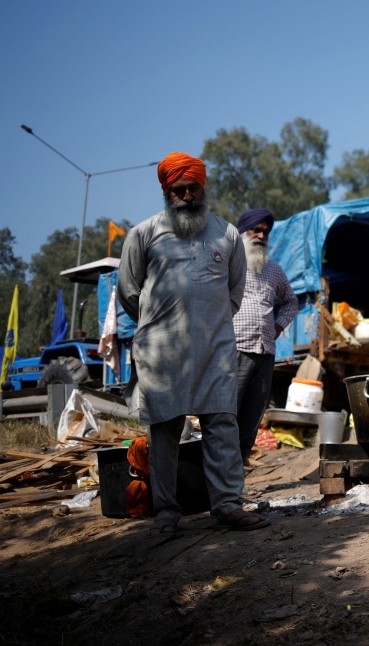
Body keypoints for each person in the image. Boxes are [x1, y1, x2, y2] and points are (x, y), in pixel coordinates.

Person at [118, 152, 268, 535]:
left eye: (192, 188)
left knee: (222, 425)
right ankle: (166, 512)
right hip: (160, 352)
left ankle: (228, 505)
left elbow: (234, 292)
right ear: (167, 192)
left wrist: (207, 324)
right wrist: (159, 325)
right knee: (164, 431)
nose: (186, 196)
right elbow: (128, 292)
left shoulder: (227, 234)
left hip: (214, 350)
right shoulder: (144, 234)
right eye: (177, 190)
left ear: (203, 187)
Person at [233, 208, 298, 464]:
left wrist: (278, 327)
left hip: (266, 353)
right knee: (227, 419)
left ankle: (234, 486)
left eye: (266, 232)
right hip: (234, 350)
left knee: (251, 422)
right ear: (241, 233)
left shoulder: (273, 270)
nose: (261, 235)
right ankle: (217, 487)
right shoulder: (227, 265)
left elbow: (291, 302)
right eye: (256, 230)